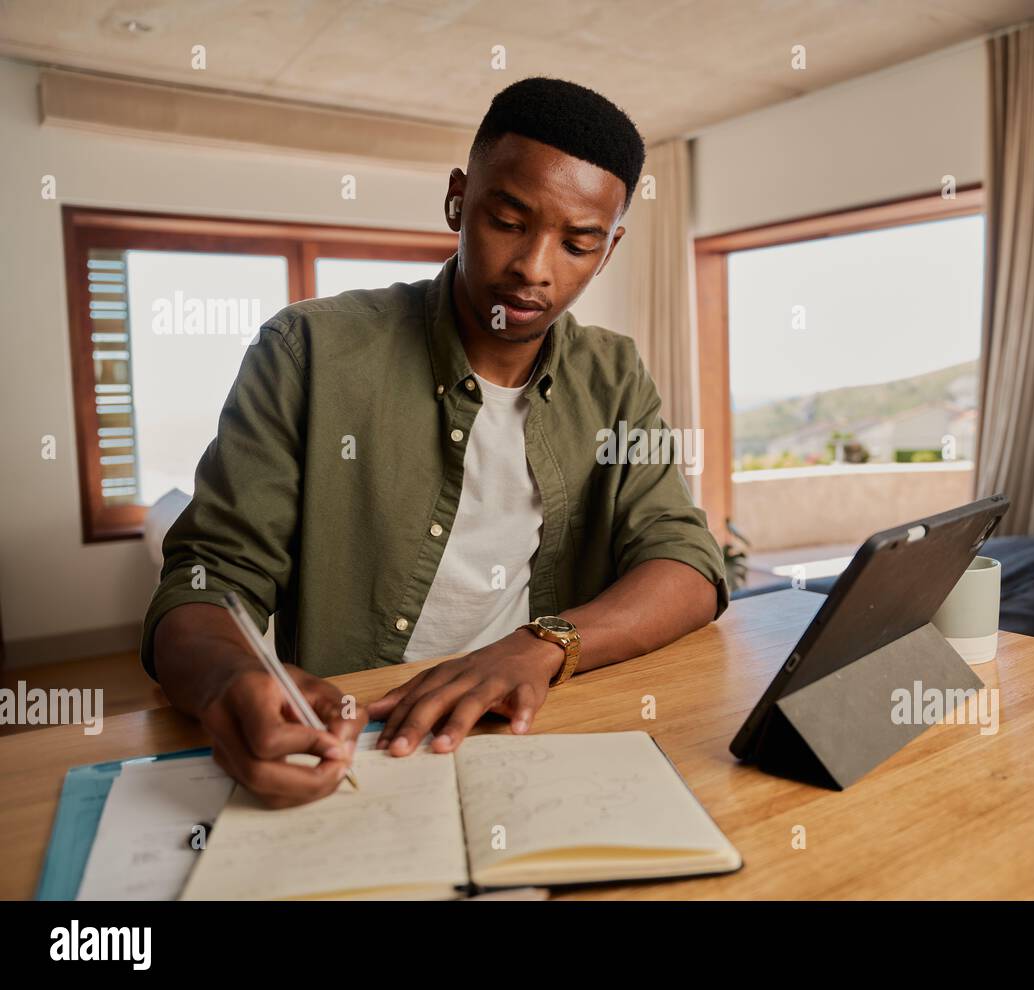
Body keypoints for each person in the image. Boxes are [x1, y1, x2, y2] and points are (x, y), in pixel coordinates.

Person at [143, 76, 728, 808]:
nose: (534, 268)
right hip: (355, 742)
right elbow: (207, 576)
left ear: (608, 251)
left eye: (578, 243)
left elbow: (687, 561)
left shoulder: (614, 376)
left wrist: (542, 644)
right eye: (508, 221)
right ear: (458, 198)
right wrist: (232, 680)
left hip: (529, 728)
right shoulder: (308, 350)